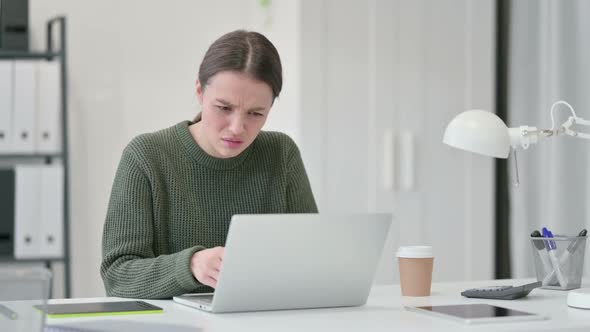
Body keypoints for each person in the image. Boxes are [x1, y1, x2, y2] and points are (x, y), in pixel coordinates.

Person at [100, 30, 318, 299]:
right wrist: (190, 266)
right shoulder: (146, 156)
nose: (237, 128)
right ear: (200, 92)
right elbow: (118, 276)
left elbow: (312, 259)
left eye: (255, 113)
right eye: (224, 108)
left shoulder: (281, 154)